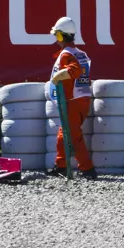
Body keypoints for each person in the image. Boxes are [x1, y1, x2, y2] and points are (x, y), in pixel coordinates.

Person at [45, 17, 97, 180]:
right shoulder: (80, 53)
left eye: (57, 36)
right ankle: (61, 166)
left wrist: (58, 77)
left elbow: (74, 70)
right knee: (64, 132)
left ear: (61, 36)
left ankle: (88, 169)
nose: (55, 39)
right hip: (82, 99)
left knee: (74, 135)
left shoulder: (66, 54)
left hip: (72, 101)